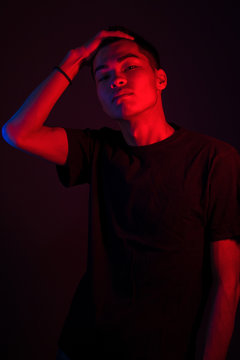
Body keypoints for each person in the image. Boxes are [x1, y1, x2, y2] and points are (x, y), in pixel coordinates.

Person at [2, 25, 240, 360]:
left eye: (130, 67)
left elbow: (226, 284)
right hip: (84, 344)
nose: (116, 79)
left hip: (164, 348)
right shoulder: (96, 149)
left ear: (160, 79)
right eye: (102, 76)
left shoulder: (215, 159)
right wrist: (73, 61)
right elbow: (17, 132)